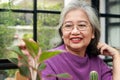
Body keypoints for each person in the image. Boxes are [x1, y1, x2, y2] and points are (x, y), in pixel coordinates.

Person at [18, 0, 120, 80]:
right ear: (62, 33)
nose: (75, 31)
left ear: (93, 32)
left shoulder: (96, 62)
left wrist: (116, 56)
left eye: (81, 25)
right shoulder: (49, 61)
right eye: (68, 26)